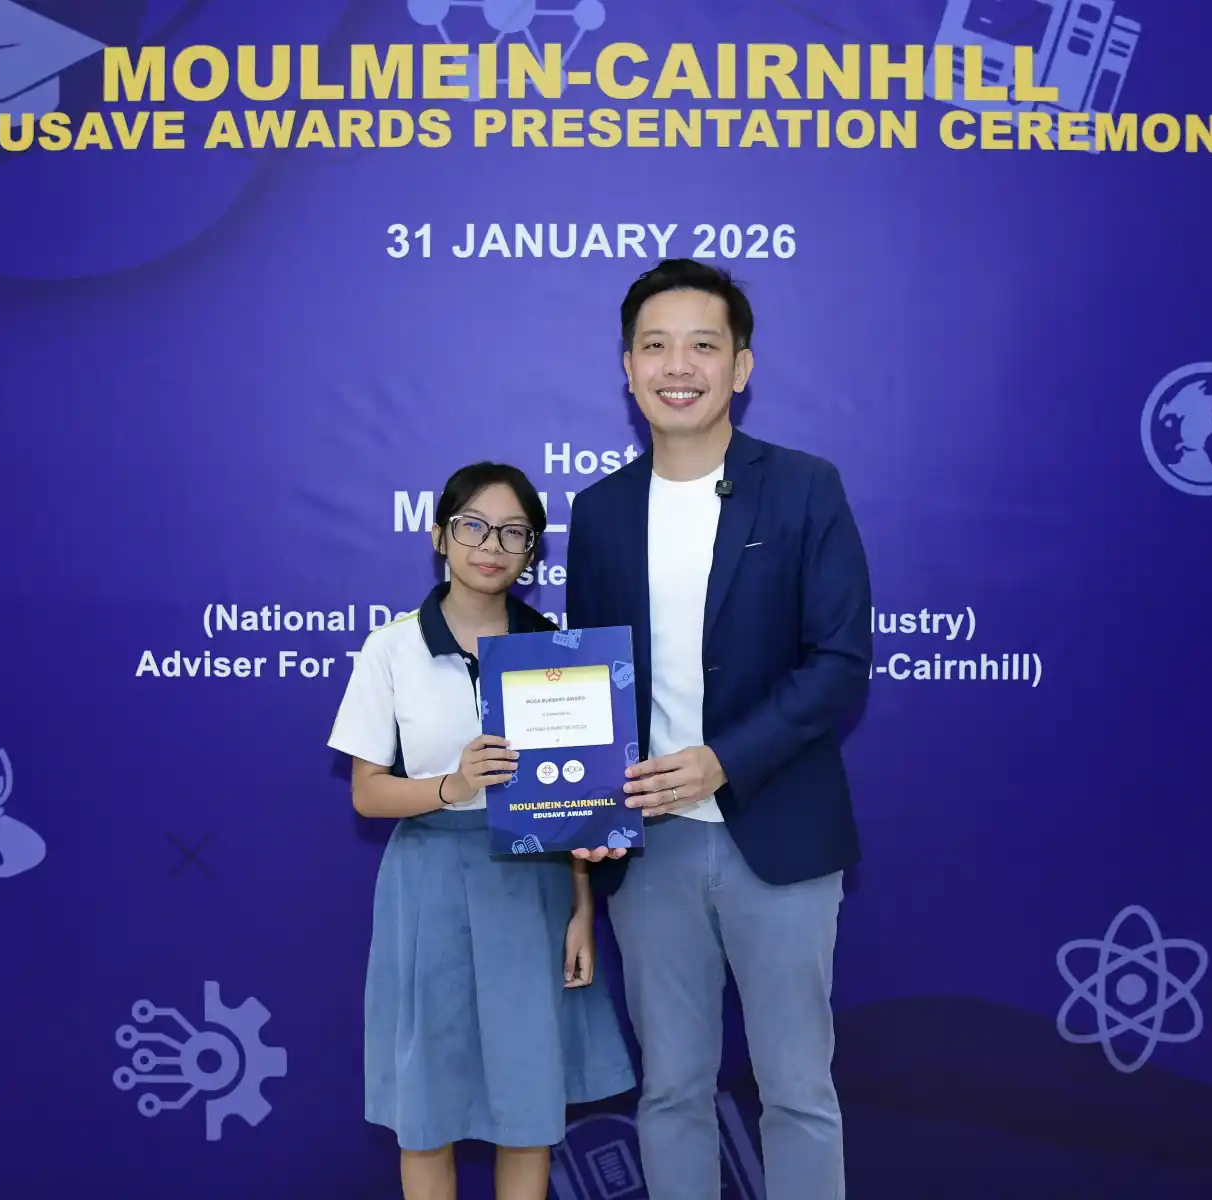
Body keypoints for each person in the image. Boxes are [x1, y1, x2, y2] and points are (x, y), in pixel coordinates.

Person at [565, 259, 873, 1200]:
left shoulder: (805, 488)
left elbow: (838, 664)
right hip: (649, 848)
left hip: (780, 834)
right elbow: (586, 687)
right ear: (627, 367)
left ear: (741, 366)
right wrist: (584, 816)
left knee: (798, 1092)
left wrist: (721, 763)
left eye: (703, 345)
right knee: (671, 1092)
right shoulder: (600, 512)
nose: (678, 366)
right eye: (655, 345)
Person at [328, 462, 637, 1200]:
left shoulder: (560, 649)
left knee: (527, 1107)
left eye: (513, 533)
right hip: (428, 881)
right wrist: (454, 785)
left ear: (533, 551)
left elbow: (579, 805)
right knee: (426, 1109)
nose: (491, 547)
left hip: (534, 886)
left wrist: (582, 909)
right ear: (440, 536)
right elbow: (367, 794)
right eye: (473, 527)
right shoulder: (392, 647)